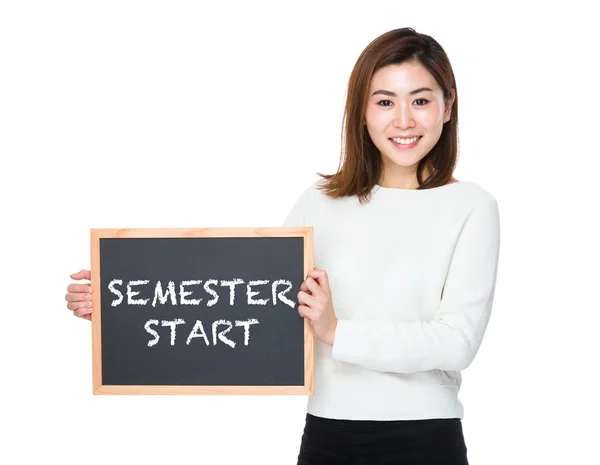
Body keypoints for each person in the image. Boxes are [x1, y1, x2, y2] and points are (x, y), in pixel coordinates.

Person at [65, 27, 500, 465]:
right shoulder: (320, 202)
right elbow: (256, 305)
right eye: (385, 101)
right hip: (327, 435)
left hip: (424, 438)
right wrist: (123, 306)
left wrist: (335, 330)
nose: (403, 120)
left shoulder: (470, 207)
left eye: (420, 100)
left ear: (448, 106)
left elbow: (455, 342)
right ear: (362, 112)